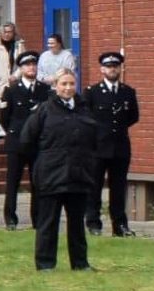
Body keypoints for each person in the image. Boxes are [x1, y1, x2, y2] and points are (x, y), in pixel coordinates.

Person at [18, 71, 98, 271]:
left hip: (78, 175)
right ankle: (45, 263)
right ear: (55, 85)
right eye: (64, 84)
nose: (68, 88)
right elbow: (27, 141)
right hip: (51, 175)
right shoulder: (44, 110)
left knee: (77, 224)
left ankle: (80, 263)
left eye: (72, 83)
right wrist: (43, 163)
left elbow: (93, 140)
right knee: (48, 222)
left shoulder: (84, 110)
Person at [85, 52, 140, 237]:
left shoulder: (127, 92)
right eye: (109, 67)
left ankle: (120, 225)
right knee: (94, 187)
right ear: (102, 69)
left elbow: (133, 117)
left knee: (118, 188)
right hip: (98, 147)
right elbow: (86, 118)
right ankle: (93, 223)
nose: (112, 69)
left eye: (115, 66)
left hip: (120, 147)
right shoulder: (92, 93)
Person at [0, 52, 49, 229]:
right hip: (17, 143)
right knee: (13, 182)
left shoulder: (44, 90)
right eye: (27, 65)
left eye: (34, 64)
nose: (31, 68)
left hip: (38, 144)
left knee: (39, 183)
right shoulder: (11, 91)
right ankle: (10, 218)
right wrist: (14, 134)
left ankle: (38, 218)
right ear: (21, 68)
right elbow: (4, 118)